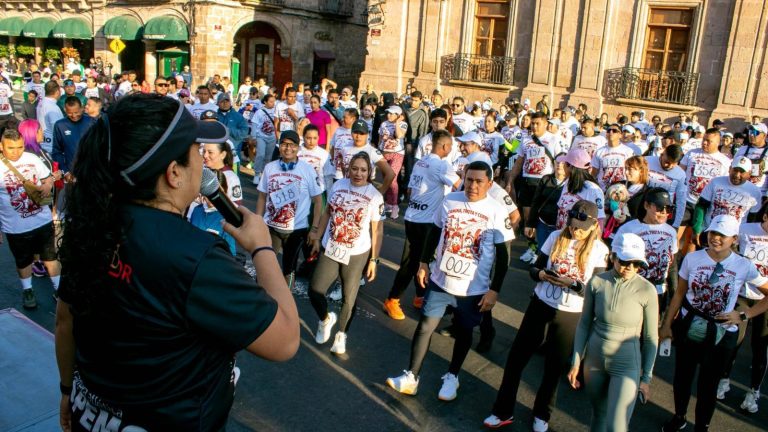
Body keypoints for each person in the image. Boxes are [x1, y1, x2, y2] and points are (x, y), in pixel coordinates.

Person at [55, 94, 299, 430]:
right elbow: (285, 340)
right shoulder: (196, 257)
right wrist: (262, 247)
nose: (203, 159)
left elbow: (65, 320)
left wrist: (67, 391)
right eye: (195, 151)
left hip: (89, 414)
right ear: (173, 173)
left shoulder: (90, 221)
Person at [387, 161, 513, 401]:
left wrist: (494, 290)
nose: (472, 185)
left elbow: (504, 256)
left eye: (478, 181)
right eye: (469, 179)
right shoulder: (450, 200)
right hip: (440, 280)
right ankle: (411, 376)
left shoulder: (496, 210)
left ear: (489, 183)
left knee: (464, 332)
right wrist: (423, 263)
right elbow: (434, 232)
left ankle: (452, 376)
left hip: (472, 288)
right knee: (425, 326)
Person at [484, 200, 608, 431]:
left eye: (581, 227)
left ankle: (542, 413)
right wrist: (541, 274)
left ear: (593, 225)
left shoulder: (600, 250)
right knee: (515, 360)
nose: (575, 230)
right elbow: (534, 269)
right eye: (572, 225)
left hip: (570, 314)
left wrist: (574, 284)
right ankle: (502, 410)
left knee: (553, 368)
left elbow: (596, 290)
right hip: (540, 304)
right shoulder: (555, 237)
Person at [659, 215, 768, 432]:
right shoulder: (693, 259)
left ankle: (702, 427)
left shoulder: (743, 265)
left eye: (723, 235)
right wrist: (666, 324)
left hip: (721, 333)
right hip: (689, 325)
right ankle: (679, 416)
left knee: (708, 386)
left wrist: (744, 315)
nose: (716, 238)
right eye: (713, 233)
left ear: (734, 239)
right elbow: (680, 293)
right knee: (682, 378)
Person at [568, 233, 658, 432]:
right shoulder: (597, 282)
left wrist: (646, 378)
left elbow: (651, 338)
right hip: (594, 360)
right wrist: (576, 362)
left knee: (616, 426)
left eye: (637, 264)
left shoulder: (647, 290)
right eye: (626, 262)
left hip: (626, 364)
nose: (631, 268)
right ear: (613, 257)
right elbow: (584, 324)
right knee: (598, 416)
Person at [308, 152, 385, 355]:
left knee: (348, 297)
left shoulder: (375, 196)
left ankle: (341, 335)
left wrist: (374, 260)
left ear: (370, 172)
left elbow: (377, 230)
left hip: (357, 252)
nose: (358, 173)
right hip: (331, 246)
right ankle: (325, 319)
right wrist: (317, 237)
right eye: (354, 168)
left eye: (363, 170)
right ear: (348, 169)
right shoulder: (339, 185)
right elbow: (327, 213)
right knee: (314, 290)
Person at [382, 129, 460, 319]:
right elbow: (462, 185)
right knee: (413, 262)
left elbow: (409, 191)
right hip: (426, 222)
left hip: (412, 217)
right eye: (451, 146)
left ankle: (420, 296)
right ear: (445, 146)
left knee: (420, 260)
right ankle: (392, 299)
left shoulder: (420, 162)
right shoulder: (442, 165)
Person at [716, 202, 768, 411]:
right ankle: (724, 380)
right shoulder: (745, 230)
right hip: (742, 294)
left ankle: (753, 392)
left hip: (765, 297)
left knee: (760, 347)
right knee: (733, 339)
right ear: (765, 217)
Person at [255, 130, 324, 288]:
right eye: (284, 144)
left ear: (298, 148)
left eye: (292, 145)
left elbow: (318, 201)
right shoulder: (270, 168)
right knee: (264, 264)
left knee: (289, 269)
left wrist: (314, 229)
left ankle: (287, 303)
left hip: (296, 230)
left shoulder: (307, 170)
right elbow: (261, 196)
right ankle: (260, 297)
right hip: (271, 227)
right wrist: (258, 221)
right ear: (279, 146)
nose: (288, 148)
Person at [0, 128, 58, 309]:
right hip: (15, 227)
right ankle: (28, 290)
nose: (16, 152)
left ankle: (59, 289)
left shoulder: (32, 159)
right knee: (23, 261)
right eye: (11, 148)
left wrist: (48, 184)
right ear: (1, 147)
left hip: (42, 220)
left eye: (19, 147)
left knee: (51, 257)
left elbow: (48, 178)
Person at [506, 111, 563, 264]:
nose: (535, 126)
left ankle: (541, 251)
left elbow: (561, 160)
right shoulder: (525, 140)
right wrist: (510, 180)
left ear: (546, 124)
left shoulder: (553, 139)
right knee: (527, 217)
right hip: (527, 181)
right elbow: (519, 162)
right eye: (533, 123)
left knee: (542, 218)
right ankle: (532, 247)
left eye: (538, 123)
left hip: (545, 183)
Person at [615, 188, 679, 313]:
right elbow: (615, 261)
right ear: (646, 205)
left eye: (669, 208)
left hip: (658, 290)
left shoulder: (671, 232)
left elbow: (672, 267)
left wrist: (674, 294)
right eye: (660, 207)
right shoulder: (629, 228)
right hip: (631, 288)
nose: (664, 212)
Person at [692, 157, 761, 244]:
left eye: (742, 172)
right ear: (729, 169)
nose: (737, 175)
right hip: (710, 232)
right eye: (735, 170)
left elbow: (753, 219)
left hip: (734, 238)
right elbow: (701, 206)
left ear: (749, 173)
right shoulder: (715, 182)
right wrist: (697, 229)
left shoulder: (755, 192)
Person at [335, 120, 396, 197]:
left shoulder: (372, 151)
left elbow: (390, 174)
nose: (358, 136)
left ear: (367, 135)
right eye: (356, 132)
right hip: (347, 191)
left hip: (365, 194)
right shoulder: (345, 147)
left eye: (362, 133)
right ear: (351, 133)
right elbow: (343, 165)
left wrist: (379, 194)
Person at [553, 147, 605, 230]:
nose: (563, 167)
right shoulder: (568, 183)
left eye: (565, 164)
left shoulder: (593, 190)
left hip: (579, 238)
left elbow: (598, 221)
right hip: (561, 237)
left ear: (570, 167)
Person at [52, 97, 96, 179]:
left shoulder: (92, 122)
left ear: (82, 108)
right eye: (70, 113)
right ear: (65, 110)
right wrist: (65, 172)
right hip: (72, 174)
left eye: (76, 112)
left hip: (92, 172)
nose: (74, 116)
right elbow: (56, 151)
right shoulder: (60, 125)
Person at [378, 105, 408, 218]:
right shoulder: (383, 124)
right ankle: (388, 203)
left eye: (391, 113)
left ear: (398, 115)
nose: (388, 115)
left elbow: (399, 135)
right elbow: (380, 138)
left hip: (397, 153)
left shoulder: (403, 124)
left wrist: (397, 123)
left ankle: (395, 205)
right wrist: (379, 150)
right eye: (388, 113)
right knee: (386, 179)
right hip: (384, 153)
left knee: (393, 179)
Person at [590, 123, 637, 191]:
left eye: (614, 131)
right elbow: (594, 173)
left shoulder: (629, 151)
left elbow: (632, 171)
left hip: (621, 191)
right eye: (609, 131)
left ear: (620, 135)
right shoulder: (599, 152)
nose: (611, 132)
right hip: (603, 190)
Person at [202, 139, 242, 206]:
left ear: (223, 155)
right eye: (204, 151)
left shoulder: (231, 178)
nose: (205, 155)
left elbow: (236, 206)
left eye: (210, 152)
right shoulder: (202, 171)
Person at [249, 93, 278, 184]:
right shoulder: (259, 112)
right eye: (270, 101)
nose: (273, 103)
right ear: (265, 102)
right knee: (260, 154)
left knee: (268, 157)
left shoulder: (276, 111)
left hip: (272, 137)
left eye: (274, 101)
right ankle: (257, 174)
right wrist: (253, 136)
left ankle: (265, 174)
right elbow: (254, 124)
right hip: (261, 136)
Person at [38, 80, 64, 154]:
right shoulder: (53, 107)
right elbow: (56, 128)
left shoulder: (40, 103)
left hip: (43, 142)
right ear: (57, 92)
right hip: (51, 146)